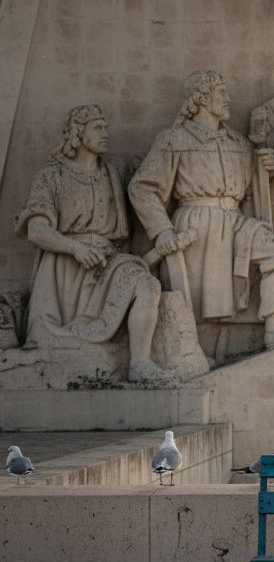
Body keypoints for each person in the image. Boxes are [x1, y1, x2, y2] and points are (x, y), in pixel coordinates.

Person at [130, 71, 274, 352]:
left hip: (236, 221)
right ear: (202, 98)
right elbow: (142, 187)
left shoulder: (238, 143)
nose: (228, 99)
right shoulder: (174, 139)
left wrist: (266, 170)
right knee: (205, 304)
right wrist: (163, 230)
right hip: (197, 224)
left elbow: (253, 193)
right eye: (221, 93)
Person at [17, 104, 171, 382]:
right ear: (78, 133)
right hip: (63, 271)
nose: (105, 134)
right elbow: (36, 231)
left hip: (107, 261)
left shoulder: (114, 173)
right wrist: (75, 248)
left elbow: (148, 186)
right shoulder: (51, 176)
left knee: (147, 285)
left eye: (106, 128)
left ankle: (140, 364)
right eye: (97, 128)